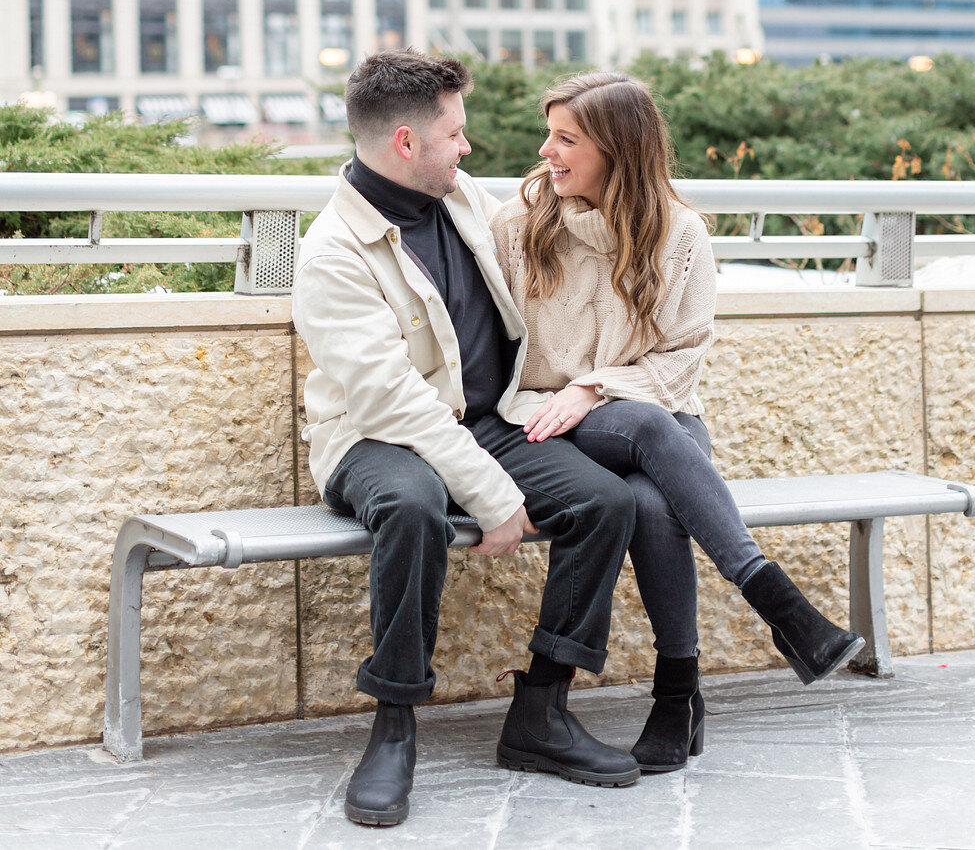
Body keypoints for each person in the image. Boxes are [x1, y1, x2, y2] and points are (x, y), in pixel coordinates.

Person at [292, 50, 641, 829]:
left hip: (483, 420)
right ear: (407, 142)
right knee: (413, 507)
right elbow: (389, 400)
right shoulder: (331, 252)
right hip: (372, 437)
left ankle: (541, 713)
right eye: (456, 132)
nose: (469, 146)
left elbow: (568, 221)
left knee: (604, 502)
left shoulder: (462, 200)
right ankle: (393, 726)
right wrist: (489, 492)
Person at [490, 71, 863, 775]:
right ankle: (780, 607)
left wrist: (598, 388)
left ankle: (677, 692)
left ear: (616, 148)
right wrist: (579, 393)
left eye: (565, 139)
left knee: (650, 498)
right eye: (550, 135)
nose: (546, 151)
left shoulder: (678, 231)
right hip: (547, 419)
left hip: (652, 410)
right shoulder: (518, 224)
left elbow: (684, 353)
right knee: (653, 442)